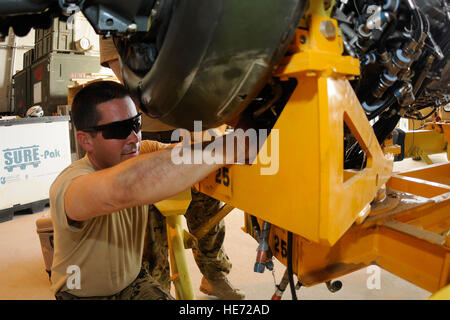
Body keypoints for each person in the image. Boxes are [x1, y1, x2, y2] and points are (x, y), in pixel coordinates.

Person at [50, 80, 246, 300]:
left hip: (133, 282)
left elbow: (178, 158)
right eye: (119, 129)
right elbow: (124, 187)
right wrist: (230, 148)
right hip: (83, 296)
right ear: (86, 140)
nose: (134, 138)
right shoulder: (71, 185)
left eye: (136, 124)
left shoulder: (139, 152)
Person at [98, 38, 244, 300]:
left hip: (200, 125)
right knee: (149, 222)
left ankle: (214, 275)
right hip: (154, 127)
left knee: (209, 209)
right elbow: (121, 66)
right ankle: (157, 289)